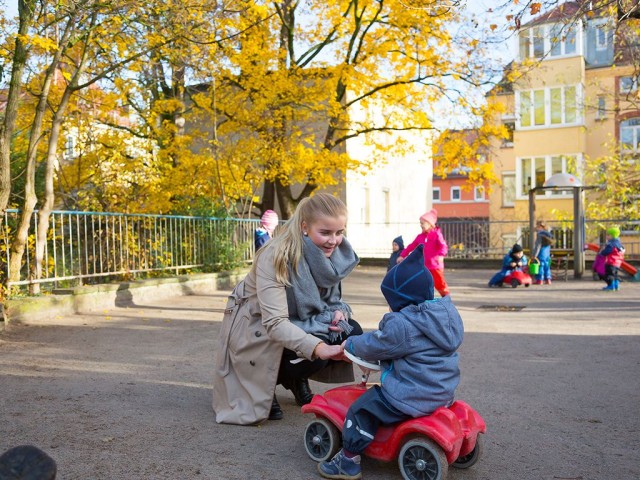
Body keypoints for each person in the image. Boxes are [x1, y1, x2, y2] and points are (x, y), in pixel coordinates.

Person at [213, 193, 362, 425]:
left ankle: (296, 378)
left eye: (339, 232)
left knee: (347, 331)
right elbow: (275, 323)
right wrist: (319, 348)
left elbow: (330, 301)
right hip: (256, 326)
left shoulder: (331, 255)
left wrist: (336, 312)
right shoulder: (276, 256)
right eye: (325, 232)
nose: (333, 240)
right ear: (304, 227)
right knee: (320, 344)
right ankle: (264, 383)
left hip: (296, 321)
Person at [317, 245, 463, 480]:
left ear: (400, 300)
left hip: (411, 395)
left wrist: (351, 344)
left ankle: (348, 459)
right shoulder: (444, 317)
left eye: (390, 300)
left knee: (361, 409)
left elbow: (376, 344)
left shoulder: (402, 325)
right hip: (442, 391)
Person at [397, 208, 450, 296]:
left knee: (439, 283)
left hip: (435, 265)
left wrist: (441, 255)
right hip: (424, 266)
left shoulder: (437, 234)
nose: (421, 225)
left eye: (423, 223)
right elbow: (411, 246)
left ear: (430, 224)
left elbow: (443, 246)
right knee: (424, 283)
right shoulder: (420, 237)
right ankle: (425, 299)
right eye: (420, 223)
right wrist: (402, 255)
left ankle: (446, 297)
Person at [600, 227, 625, 291]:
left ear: (613, 236)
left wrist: (601, 253)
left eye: (608, 235)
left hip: (611, 262)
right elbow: (622, 251)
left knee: (608, 274)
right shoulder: (619, 243)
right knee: (615, 274)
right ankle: (616, 285)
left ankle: (611, 285)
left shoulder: (611, 244)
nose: (607, 236)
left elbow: (607, 251)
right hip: (618, 263)